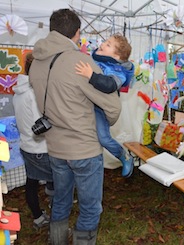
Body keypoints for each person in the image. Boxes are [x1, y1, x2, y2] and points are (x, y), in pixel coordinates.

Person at [29, 9, 121, 244]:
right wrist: (101, 123)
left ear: (51, 29)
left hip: (56, 148)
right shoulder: (79, 61)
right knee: (90, 209)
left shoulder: (36, 62)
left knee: (60, 200)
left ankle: (56, 240)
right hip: (84, 149)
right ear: (77, 32)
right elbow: (113, 108)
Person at [75, 34, 135, 178]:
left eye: (108, 45)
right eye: (106, 42)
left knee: (103, 137)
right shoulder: (94, 57)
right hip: (86, 102)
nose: (103, 44)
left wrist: (91, 76)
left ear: (117, 56)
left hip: (100, 107)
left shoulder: (118, 70)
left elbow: (110, 85)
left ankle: (123, 155)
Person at [12, 52, 54, 230]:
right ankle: (55, 216)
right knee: (60, 179)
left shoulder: (19, 91)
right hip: (40, 148)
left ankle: (38, 216)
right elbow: (43, 123)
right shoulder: (34, 93)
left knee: (32, 182)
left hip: (27, 146)